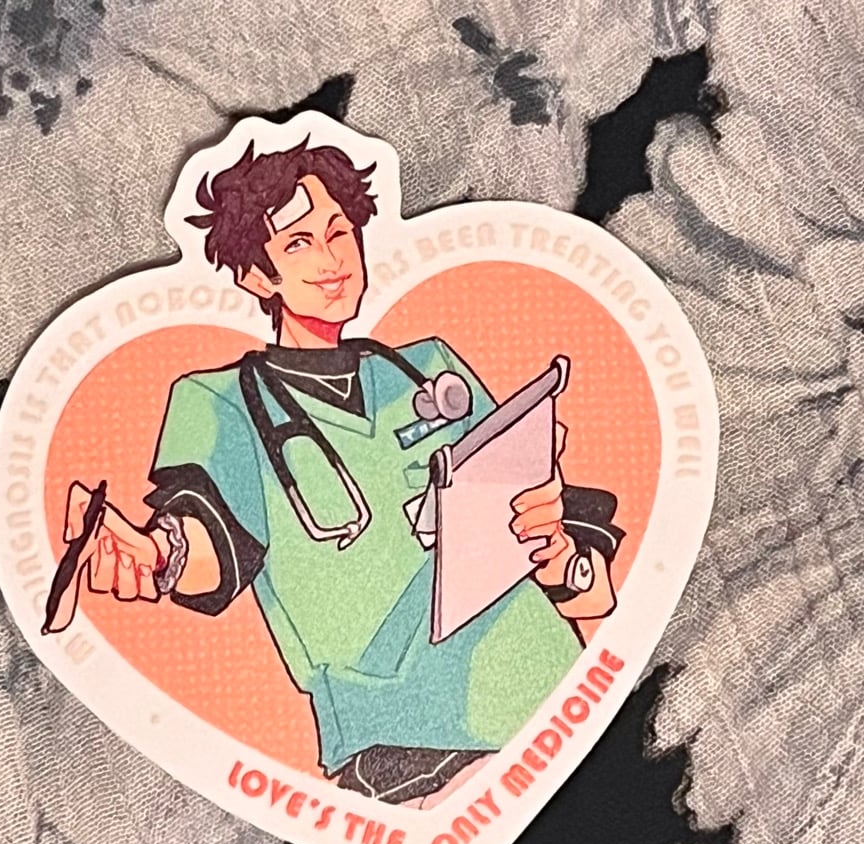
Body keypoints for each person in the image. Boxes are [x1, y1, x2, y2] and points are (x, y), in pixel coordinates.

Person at [49, 139, 623, 807]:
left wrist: (558, 552)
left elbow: (567, 565)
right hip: (408, 745)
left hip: (556, 689)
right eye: (298, 244)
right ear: (256, 276)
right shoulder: (221, 403)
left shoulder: (430, 369)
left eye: (339, 234)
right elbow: (211, 537)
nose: (331, 261)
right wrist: (156, 556)